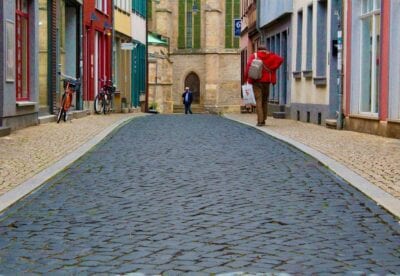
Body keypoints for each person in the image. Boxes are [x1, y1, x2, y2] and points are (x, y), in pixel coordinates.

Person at [244, 45, 283, 126]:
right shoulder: (271, 56)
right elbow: (280, 59)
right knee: (265, 100)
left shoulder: (254, 56)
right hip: (267, 81)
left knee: (258, 100)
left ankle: (260, 121)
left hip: (256, 80)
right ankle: (264, 119)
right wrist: (273, 69)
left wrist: (246, 78)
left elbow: (248, 67)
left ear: (258, 50)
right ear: (266, 49)